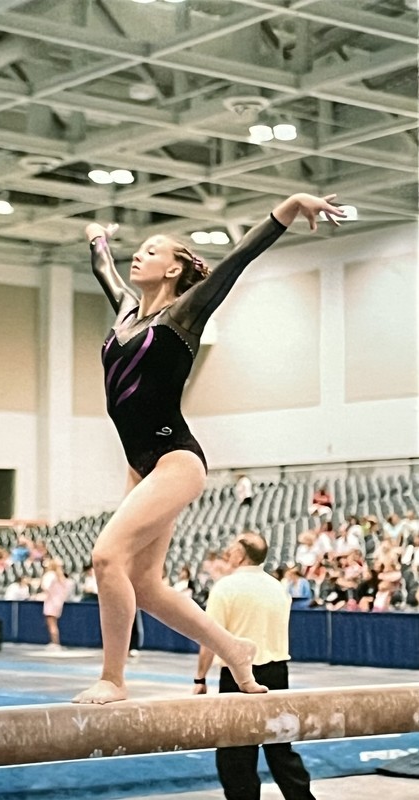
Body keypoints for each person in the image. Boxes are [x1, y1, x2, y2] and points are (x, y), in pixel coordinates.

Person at [74, 192, 345, 704]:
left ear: (175, 269)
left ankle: (113, 678)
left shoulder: (185, 314)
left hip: (176, 458)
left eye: (153, 250)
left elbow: (240, 256)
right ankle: (234, 649)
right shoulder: (127, 313)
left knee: (106, 557)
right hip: (140, 465)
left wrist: (288, 207)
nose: (141, 254)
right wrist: (96, 237)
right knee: (146, 585)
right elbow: (102, 268)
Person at [193, 532, 315, 800]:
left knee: (235, 751)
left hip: (239, 675)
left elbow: (210, 641)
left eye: (231, 548)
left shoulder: (226, 587)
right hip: (277, 671)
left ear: (239, 555)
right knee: (280, 748)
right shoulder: (278, 587)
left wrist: (199, 679)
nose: (227, 551)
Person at [39, 559, 74, 650]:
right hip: (58, 602)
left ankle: (55, 643)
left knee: (51, 623)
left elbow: (45, 586)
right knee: (54, 622)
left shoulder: (50, 575)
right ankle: (55, 642)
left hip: (51, 601)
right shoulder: (62, 577)